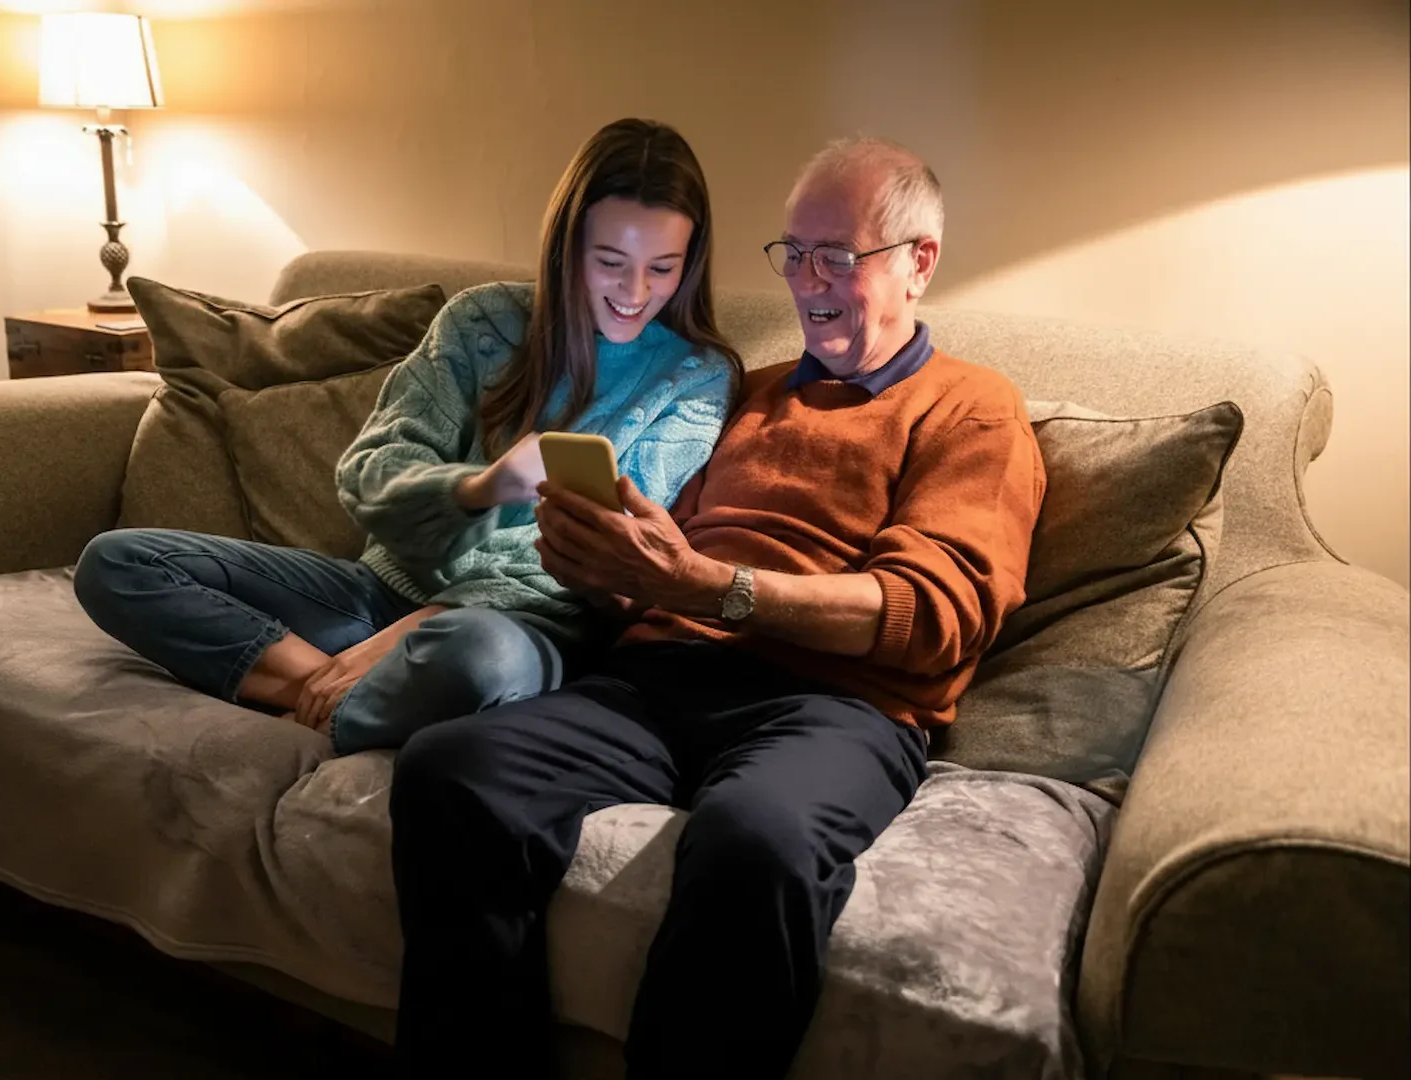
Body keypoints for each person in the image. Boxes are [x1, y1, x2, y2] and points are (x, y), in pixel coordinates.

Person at [387, 137, 1047, 1079]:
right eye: (793, 252)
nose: (807, 281)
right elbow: (660, 571)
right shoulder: (748, 393)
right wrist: (602, 566)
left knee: (756, 840)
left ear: (918, 262)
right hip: (660, 676)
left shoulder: (971, 407)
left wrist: (710, 587)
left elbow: (934, 613)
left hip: (838, 706)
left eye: (837, 256)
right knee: (451, 768)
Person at [72, 118, 740, 756]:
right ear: (567, 247)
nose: (634, 291)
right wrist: (480, 490)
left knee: (478, 661)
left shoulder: (695, 376)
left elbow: (610, 561)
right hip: (377, 592)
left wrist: (410, 634)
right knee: (118, 563)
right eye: (610, 261)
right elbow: (371, 473)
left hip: (520, 626)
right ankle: (322, 693)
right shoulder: (482, 322)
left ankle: (319, 700)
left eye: (662, 268)